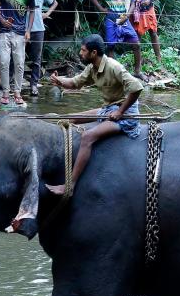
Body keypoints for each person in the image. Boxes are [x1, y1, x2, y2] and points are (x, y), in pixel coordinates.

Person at [45, 34, 143, 197]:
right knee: (69, 118)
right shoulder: (92, 68)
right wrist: (59, 81)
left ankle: (70, 185)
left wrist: (120, 112)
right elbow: (76, 83)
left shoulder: (113, 67)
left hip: (126, 114)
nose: (80, 53)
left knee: (87, 137)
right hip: (108, 108)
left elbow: (137, 87)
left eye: (83, 50)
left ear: (94, 52)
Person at [91, 0, 143, 77]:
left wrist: (127, 16)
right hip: (111, 20)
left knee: (136, 44)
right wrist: (101, 9)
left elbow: (133, 3)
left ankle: (138, 72)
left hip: (125, 20)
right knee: (110, 46)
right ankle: (111, 73)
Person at [0, 0, 34, 106]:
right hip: (4, 32)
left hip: (20, 33)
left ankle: (17, 92)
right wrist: (3, 21)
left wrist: (28, 30)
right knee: (4, 62)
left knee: (20, 64)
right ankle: (5, 92)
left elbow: (32, 11)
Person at [25, 0, 57, 97]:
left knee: (36, 59)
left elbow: (54, 2)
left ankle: (34, 84)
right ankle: (12, 83)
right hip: (22, 28)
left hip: (38, 28)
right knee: (17, 56)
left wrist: (47, 13)